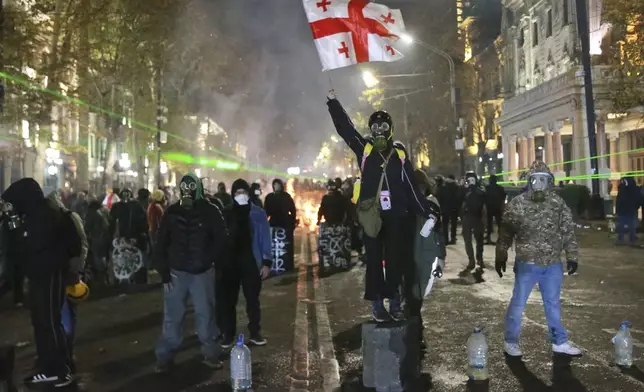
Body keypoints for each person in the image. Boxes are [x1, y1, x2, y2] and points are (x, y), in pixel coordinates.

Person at [326, 90, 439, 322]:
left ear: (390, 129)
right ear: (370, 130)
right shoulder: (364, 149)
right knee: (375, 262)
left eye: (383, 127)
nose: (379, 131)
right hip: (372, 216)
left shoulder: (399, 155)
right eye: (375, 127)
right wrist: (334, 104)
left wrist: (426, 209)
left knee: (396, 261)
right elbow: (346, 130)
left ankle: (395, 302)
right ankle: (377, 306)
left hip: (397, 216)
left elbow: (411, 188)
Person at [495, 161, 582, 357]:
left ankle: (559, 341)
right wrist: (501, 254)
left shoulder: (557, 204)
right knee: (518, 304)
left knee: (552, 304)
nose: (540, 184)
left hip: (552, 264)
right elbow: (506, 231)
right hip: (527, 263)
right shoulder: (519, 203)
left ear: (550, 182)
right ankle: (511, 341)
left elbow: (567, 230)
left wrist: (572, 256)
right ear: (530, 181)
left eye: (544, 180)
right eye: (536, 180)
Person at [1, 178, 80, 387]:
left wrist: (17, 231)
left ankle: (60, 370)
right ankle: (49, 368)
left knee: (49, 323)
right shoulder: (33, 217)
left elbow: (33, 246)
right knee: (42, 323)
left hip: (49, 275)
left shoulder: (45, 217)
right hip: (39, 277)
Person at [154, 172, 228, 372]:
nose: (187, 191)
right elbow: (161, 242)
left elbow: (221, 239)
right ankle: (164, 357)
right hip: (177, 272)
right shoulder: (172, 212)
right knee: (172, 317)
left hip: (201, 272)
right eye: (184, 187)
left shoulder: (211, 211)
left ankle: (211, 354)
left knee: (205, 315)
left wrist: (209, 260)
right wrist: (164, 272)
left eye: (191, 187)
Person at [220, 179, 272, 348]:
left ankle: (255, 332)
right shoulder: (226, 212)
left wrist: (266, 262)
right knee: (228, 301)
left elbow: (265, 237)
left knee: (252, 300)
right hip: (230, 262)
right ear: (232, 194)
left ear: (248, 194)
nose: (240, 195)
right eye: (237, 192)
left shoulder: (258, 213)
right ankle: (228, 334)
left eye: (243, 192)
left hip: (251, 260)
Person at [407, 169, 446, 349]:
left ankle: (415, 332)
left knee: (416, 296)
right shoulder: (411, 203)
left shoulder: (429, 204)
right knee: (413, 296)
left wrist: (441, 257)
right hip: (414, 254)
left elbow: (438, 230)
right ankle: (415, 332)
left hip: (422, 255)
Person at [109, 188, 149, 283]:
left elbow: (143, 222)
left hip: (132, 239)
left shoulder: (134, 206)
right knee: (124, 260)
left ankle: (134, 280)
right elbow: (112, 223)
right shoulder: (120, 207)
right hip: (126, 239)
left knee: (132, 260)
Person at [264, 178, 297, 272]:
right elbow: (266, 211)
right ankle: (274, 265)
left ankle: (288, 265)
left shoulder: (286, 196)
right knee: (275, 247)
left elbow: (292, 210)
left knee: (286, 247)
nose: (277, 186)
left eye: (278, 185)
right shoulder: (269, 197)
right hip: (274, 224)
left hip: (285, 224)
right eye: (275, 185)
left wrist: (292, 221)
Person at [460, 171, 487, 272]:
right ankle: (472, 260)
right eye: (469, 180)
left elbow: (484, 203)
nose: (471, 182)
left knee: (478, 240)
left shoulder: (480, 191)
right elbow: (459, 200)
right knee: (469, 240)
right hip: (468, 217)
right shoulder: (464, 191)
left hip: (477, 217)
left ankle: (478, 259)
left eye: (472, 180)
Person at [615, 176, 641, 245]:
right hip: (630, 210)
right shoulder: (634, 189)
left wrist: (617, 210)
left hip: (624, 211)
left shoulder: (622, 189)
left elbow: (618, 200)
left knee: (622, 226)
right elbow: (638, 199)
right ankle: (631, 239)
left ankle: (621, 240)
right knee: (630, 226)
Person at [437, 174, 460, 245]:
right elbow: (459, 198)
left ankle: (445, 239)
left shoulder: (444, 187)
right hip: (454, 208)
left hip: (445, 208)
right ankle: (453, 238)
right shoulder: (457, 187)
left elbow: (440, 197)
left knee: (445, 224)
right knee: (454, 224)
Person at [485, 174, 506, 244]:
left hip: (489, 208)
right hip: (498, 208)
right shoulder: (500, 188)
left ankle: (488, 238)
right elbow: (503, 198)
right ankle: (500, 238)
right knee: (499, 224)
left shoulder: (487, 188)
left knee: (489, 224)